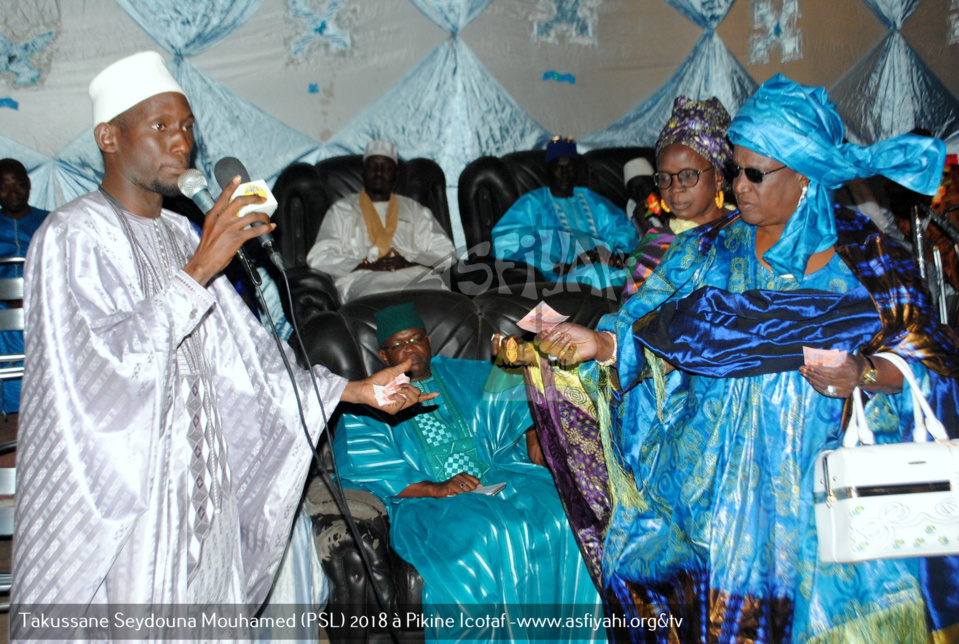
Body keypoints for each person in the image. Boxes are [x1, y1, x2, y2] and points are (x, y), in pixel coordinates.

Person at [11, 51, 435, 641]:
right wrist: (200, 268)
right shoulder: (70, 235)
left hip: (202, 493)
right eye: (161, 126)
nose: (181, 142)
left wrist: (353, 390)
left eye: (187, 126)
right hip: (129, 509)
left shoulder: (179, 232)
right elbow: (98, 375)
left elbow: (248, 359)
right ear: (109, 137)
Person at [528, 75, 959, 641]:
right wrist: (603, 343)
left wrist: (865, 372)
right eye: (735, 170)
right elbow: (645, 320)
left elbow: (930, 357)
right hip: (715, 497)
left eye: (755, 174)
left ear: (804, 173)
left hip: (825, 502)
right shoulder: (705, 250)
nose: (738, 187)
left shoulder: (871, 257)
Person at [332, 303, 604, 642]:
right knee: (491, 533)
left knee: (563, 516)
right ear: (383, 355)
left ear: (429, 341)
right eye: (398, 344)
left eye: (416, 339)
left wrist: (535, 432)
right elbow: (365, 467)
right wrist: (436, 488)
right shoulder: (368, 400)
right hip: (428, 501)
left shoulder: (467, 373)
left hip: (499, 475)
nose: (410, 349)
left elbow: (528, 399)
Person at [305, 140, 455, 303]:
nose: (379, 173)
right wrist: (361, 264)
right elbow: (319, 256)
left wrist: (410, 260)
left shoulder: (415, 210)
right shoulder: (342, 210)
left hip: (415, 274)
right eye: (373, 167)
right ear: (363, 172)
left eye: (386, 168)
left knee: (440, 297)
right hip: (364, 278)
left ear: (396, 175)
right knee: (379, 299)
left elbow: (446, 252)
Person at [491, 137, 639, 291]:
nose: (565, 173)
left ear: (577, 169)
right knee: (598, 275)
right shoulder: (532, 203)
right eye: (559, 167)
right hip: (561, 278)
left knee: (642, 275)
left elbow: (624, 228)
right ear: (548, 170)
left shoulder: (591, 199)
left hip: (607, 266)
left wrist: (610, 254)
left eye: (570, 167)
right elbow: (506, 243)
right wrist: (565, 266)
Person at [622, 96, 732, 301]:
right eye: (665, 178)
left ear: (718, 178)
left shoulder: (748, 226)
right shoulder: (656, 249)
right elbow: (634, 313)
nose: (675, 188)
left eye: (688, 175)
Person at [0, 158, 49, 415]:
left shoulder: (50, 222)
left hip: (44, 306)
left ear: (28, 184)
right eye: (4, 187)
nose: (13, 193)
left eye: (18, 185)